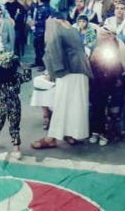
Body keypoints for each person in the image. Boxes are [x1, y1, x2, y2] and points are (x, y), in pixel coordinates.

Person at [31, 16, 92, 149]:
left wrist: (52, 73)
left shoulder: (54, 24)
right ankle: (69, 134)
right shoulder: (73, 29)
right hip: (81, 70)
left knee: (61, 104)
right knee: (74, 105)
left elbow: (52, 48)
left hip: (68, 70)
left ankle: (51, 138)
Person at [0, 44, 29, 160]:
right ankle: (15, 148)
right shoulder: (16, 77)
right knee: (11, 125)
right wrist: (24, 67)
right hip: (13, 103)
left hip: (5, 103)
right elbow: (27, 77)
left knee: (3, 123)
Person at [87, 26, 125, 145]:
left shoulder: (117, 46)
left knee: (105, 104)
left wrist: (117, 78)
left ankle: (104, 133)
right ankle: (96, 131)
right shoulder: (94, 46)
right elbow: (90, 66)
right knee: (96, 104)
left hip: (110, 84)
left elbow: (119, 67)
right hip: (96, 83)